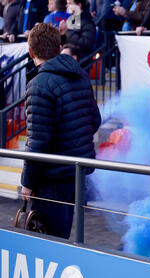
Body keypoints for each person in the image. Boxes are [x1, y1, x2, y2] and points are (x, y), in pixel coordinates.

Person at [20, 23, 101, 239]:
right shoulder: (81, 75)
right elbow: (95, 120)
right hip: (75, 172)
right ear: (59, 47)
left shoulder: (39, 84)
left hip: (52, 178)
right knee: (62, 239)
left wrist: (27, 183)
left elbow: (37, 142)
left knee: (50, 245)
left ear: (31, 52)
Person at [59, 0, 97, 64]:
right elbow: (64, 42)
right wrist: (61, 33)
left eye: (70, 3)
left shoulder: (87, 22)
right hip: (68, 60)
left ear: (79, 5)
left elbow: (86, 42)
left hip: (80, 62)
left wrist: (67, 31)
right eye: (67, 3)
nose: (67, 6)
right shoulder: (71, 20)